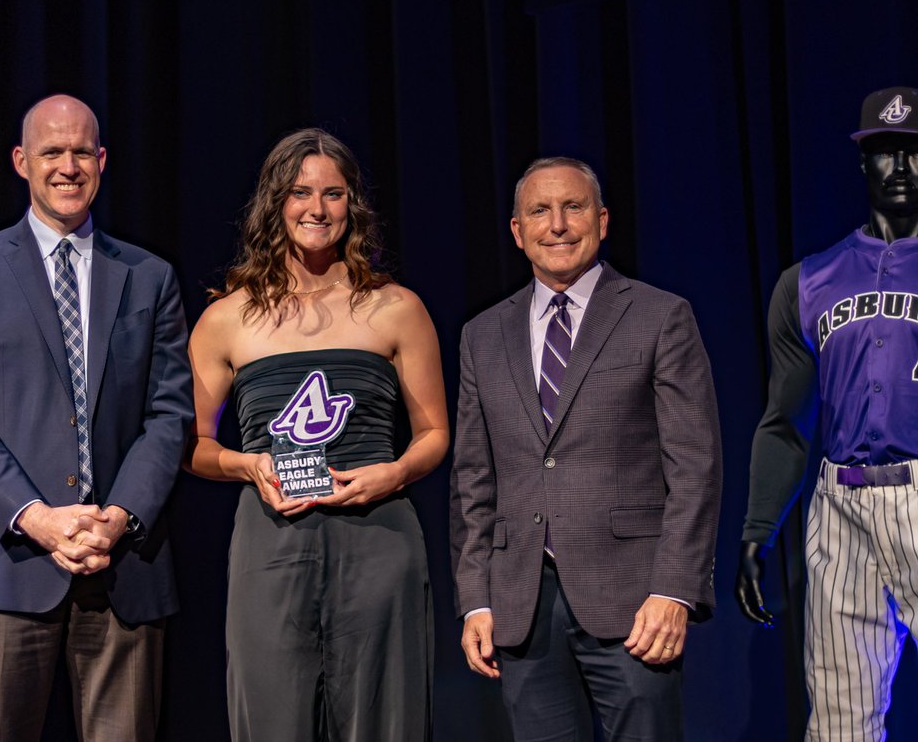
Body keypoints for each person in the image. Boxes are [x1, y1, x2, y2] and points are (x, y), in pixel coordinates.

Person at [0, 94, 192, 741]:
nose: (67, 165)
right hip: (5, 566)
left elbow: (169, 414)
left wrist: (119, 517)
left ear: (102, 161)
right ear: (22, 161)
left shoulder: (150, 277)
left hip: (122, 566)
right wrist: (39, 519)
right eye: (52, 151)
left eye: (81, 151)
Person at [184, 128, 448, 741]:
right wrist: (248, 466)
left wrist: (395, 472)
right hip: (272, 540)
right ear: (275, 203)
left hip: (379, 536)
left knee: (385, 719)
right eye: (301, 192)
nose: (317, 209)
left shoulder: (396, 307)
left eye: (334, 194)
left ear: (352, 204)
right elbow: (191, 445)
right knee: (271, 719)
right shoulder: (227, 317)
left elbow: (434, 431)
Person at [450, 157, 722, 739]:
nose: (558, 225)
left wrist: (674, 589)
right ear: (518, 232)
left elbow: (695, 469)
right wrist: (475, 598)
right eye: (540, 212)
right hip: (521, 604)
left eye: (573, 208)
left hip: (634, 603)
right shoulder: (482, 335)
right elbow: (474, 480)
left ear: (601, 220)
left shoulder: (660, 316)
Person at [736, 86, 918, 740]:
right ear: (861, 164)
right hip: (839, 502)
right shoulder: (811, 279)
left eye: (913, 152)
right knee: (841, 723)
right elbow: (787, 419)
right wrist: (759, 528)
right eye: (883, 152)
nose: (899, 168)